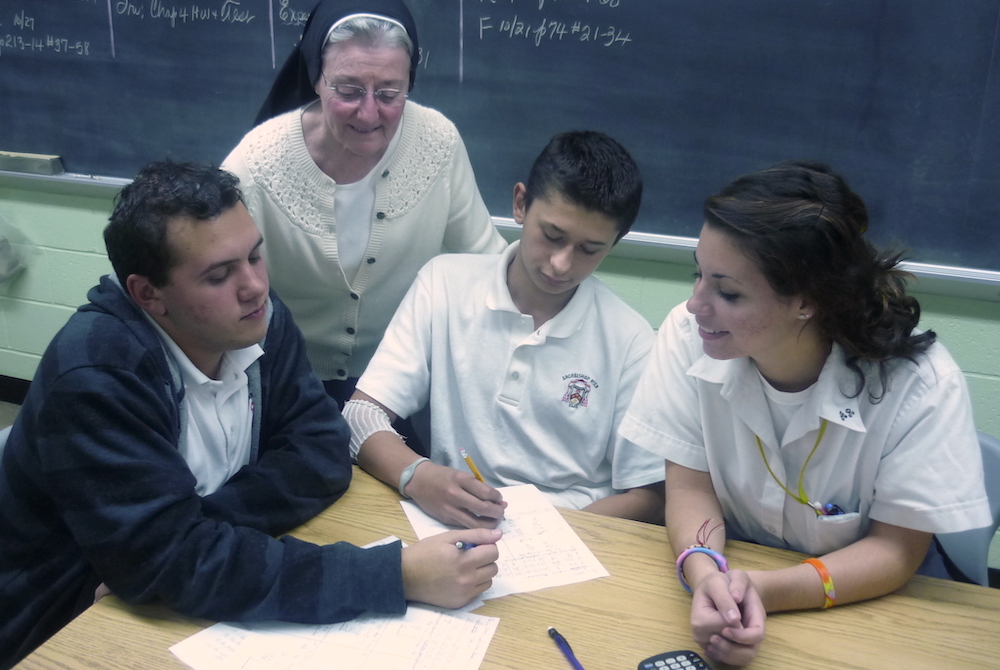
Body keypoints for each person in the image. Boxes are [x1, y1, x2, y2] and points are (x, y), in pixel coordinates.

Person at [0, 162, 500, 670]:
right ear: (147, 294)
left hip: (145, 584)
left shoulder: (255, 320)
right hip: (63, 616)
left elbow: (322, 449)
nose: (255, 286)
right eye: (219, 275)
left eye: (256, 256)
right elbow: (173, 564)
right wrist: (394, 576)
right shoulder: (98, 373)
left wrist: (192, 534)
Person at [618, 161, 992, 666]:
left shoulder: (918, 384)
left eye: (727, 292)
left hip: (876, 605)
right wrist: (706, 575)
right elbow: (689, 486)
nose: (694, 305)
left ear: (807, 301)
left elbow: (897, 550)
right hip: (744, 568)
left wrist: (768, 591)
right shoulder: (687, 337)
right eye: (698, 274)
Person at [344, 131, 666, 529]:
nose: (562, 264)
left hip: (578, 532)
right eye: (552, 236)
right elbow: (360, 415)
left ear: (614, 244)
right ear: (520, 204)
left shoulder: (631, 340)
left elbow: (651, 496)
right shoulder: (444, 284)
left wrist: (551, 529)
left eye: (589, 249)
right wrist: (418, 476)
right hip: (454, 519)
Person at [222, 0, 506, 413]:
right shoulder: (258, 162)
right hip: (283, 380)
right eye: (349, 90)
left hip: (396, 382)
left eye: (390, 93)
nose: (370, 112)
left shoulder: (437, 143)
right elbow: (210, 271)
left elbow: (485, 260)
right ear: (317, 79)